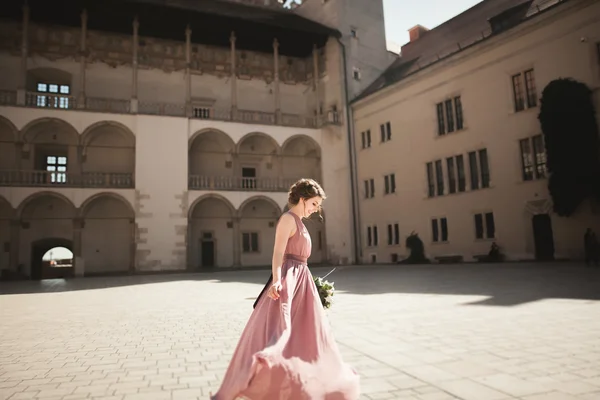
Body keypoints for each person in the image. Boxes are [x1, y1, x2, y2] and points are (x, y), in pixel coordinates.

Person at [210, 178, 360, 400]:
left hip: (303, 280)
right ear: (302, 199)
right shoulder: (287, 220)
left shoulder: (300, 222)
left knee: (308, 336)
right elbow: (278, 253)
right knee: (283, 333)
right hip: (290, 280)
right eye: (314, 204)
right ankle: (267, 378)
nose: (316, 209)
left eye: (317, 205)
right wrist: (278, 280)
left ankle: (301, 385)